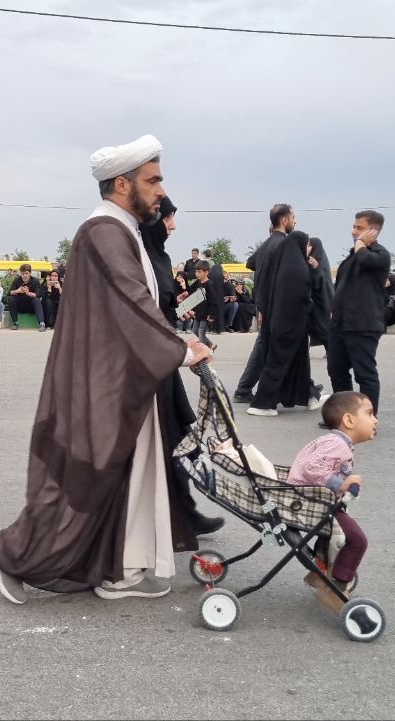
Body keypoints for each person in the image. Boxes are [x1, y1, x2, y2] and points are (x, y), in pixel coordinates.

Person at [0, 134, 215, 605]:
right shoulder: (104, 231)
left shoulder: (123, 229)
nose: (161, 191)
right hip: (106, 381)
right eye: (152, 181)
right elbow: (130, 304)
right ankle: (14, 556)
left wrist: (177, 342)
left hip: (125, 377)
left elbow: (139, 306)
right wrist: (179, 350)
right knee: (85, 478)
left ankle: (121, 571)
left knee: (126, 476)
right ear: (122, 184)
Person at [138, 193, 226, 538]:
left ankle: (183, 514)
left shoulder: (158, 255)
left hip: (163, 358)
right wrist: (184, 351)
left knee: (175, 435)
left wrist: (176, 311)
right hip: (149, 363)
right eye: (167, 218)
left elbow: (158, 309)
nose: (173, 225)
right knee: (167, 438)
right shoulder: (140, 255)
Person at [288, 391, 376, 614]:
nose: (375, 420)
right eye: (369, 413)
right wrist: (342, 484)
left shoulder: (334, 441)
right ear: (349, 420)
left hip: (309, 498)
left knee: (332, 533)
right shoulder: (338, 445)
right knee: (356, 540)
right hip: (313, 502)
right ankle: (334, 589)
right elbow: (311, 467)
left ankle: (317, 574)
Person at [327, 211, 390, 416]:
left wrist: (361, 244)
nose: (354, 231)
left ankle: (367, 419)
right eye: (354, 227)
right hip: (340, 324)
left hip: (363, 325)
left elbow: (365, 261)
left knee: (365, 374)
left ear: (373, 231)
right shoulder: (353, 256)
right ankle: (344, 417)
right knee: (336, 370)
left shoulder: (380, 255)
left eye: (359, 228)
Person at [249, 230, 316, 417]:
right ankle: (261, 404)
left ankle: (307, 396)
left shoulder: (282, 268)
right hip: (291, 324)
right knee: (277, 364)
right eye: (307, 244)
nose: (309, 248)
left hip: (280, 322)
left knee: (292, 363)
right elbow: (303, 297)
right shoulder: (297, 270)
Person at [233, 204, 294, 404]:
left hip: (264, 302)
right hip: (275, 304)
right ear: (284, 220)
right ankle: (246, 390)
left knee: (266, 346)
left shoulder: (268, 244)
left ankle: (245, 389)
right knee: (269, 347)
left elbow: (250, 262)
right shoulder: (284, 244)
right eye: (293, 217)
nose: (295, 221)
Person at [307, 236, 334, 346]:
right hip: (316, 302)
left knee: (324, 328)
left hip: (323, 301)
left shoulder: (320, 262)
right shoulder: (312, 260)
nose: (309, 247)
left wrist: (316, 268)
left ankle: (332, 350)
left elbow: (319, 282)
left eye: (310, 245)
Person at [7, 263, 46, 331]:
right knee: (11, 298)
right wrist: (17, 291)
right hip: (20, 306)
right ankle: (15, 323)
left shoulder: (35, 281)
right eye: (23, 273)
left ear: (30, 273)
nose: (24, 275)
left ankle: (42, 324)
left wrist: (28, 293)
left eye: (26, 273)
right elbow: (10, 292)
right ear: (20, 273)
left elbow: (38, 294)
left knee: (36, 300)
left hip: (31, 306)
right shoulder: (17, 280)